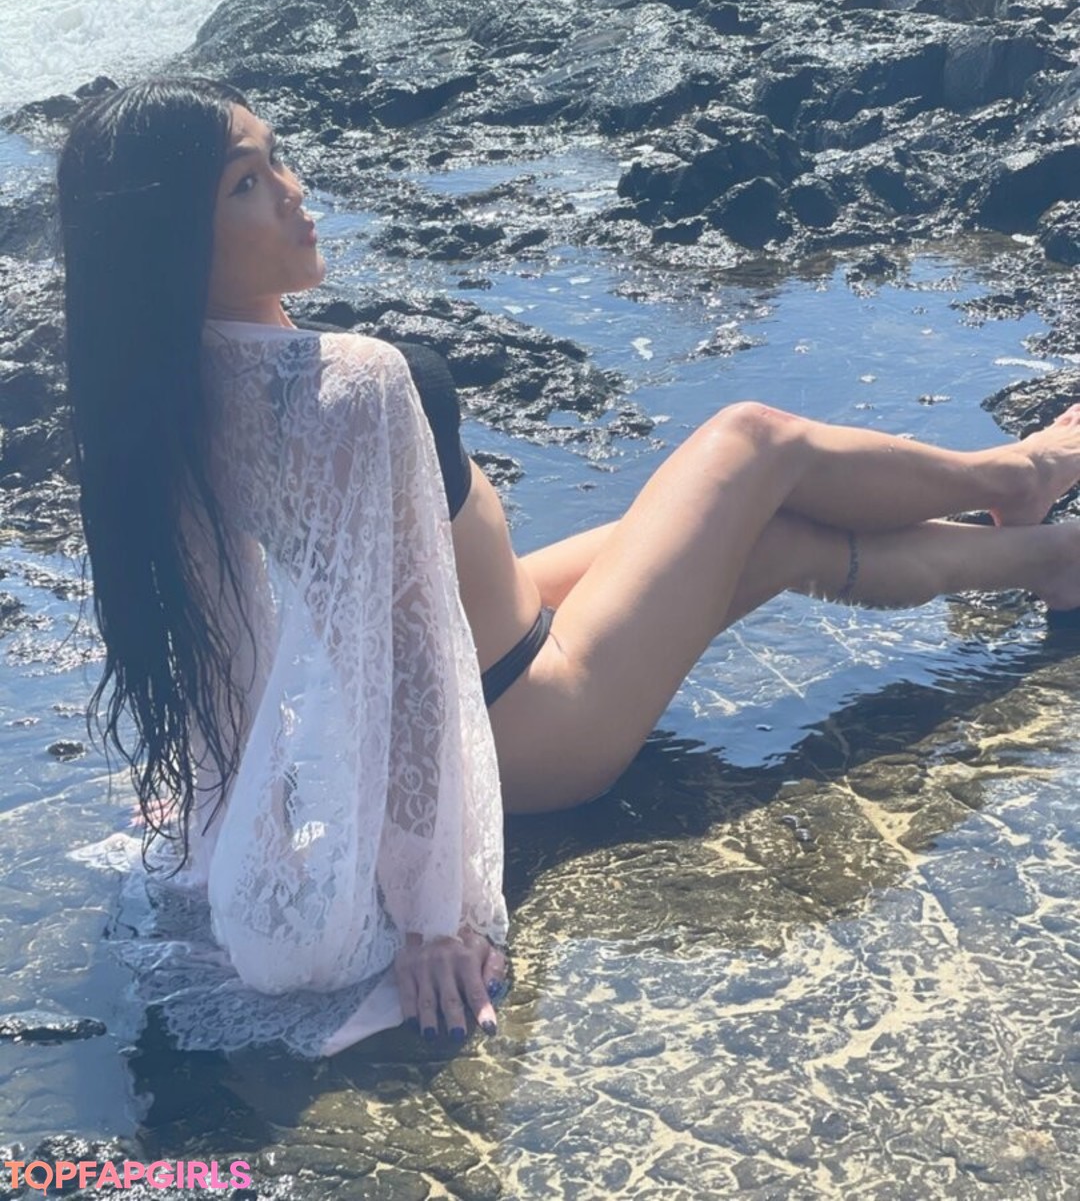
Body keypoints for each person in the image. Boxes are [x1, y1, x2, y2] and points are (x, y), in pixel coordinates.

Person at [59, 77, 1080, 1057]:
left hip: (502, 623)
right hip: (532, 708)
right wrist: (435, 912)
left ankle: (1045, 553)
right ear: (171, 242)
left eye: (275, 159)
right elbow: (411, 652)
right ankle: (1024, 475)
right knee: (752, 442)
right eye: (246, 184)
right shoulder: (348, 389)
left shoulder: (169, 393)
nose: (292, 190)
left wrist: (231, 797)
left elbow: (218, 620)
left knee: (766, 535)